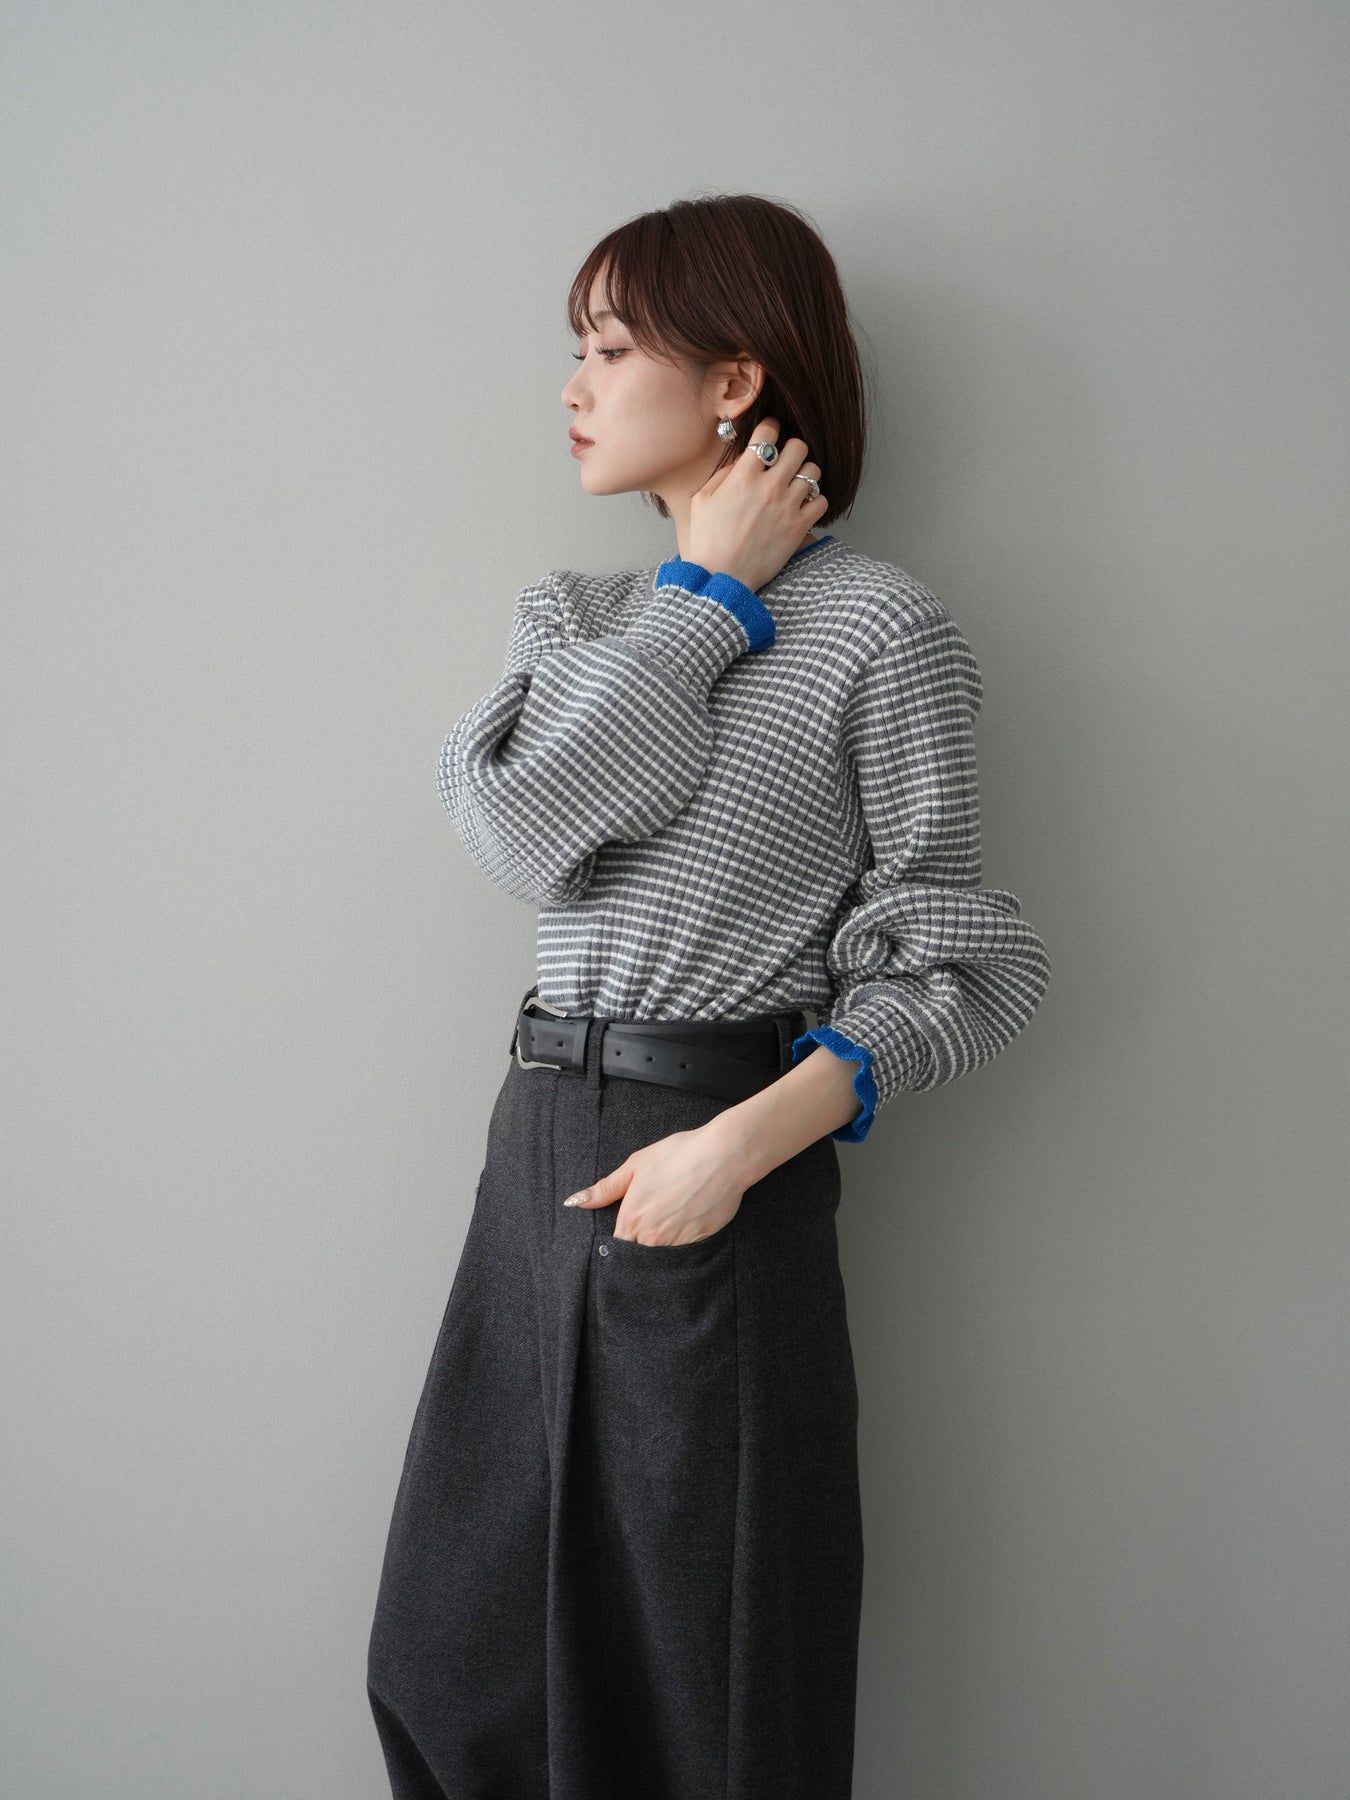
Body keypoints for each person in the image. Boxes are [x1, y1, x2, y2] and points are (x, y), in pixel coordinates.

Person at [366, 192, 1051, 1800]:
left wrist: (735, 1148)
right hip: (534, 1148)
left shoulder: (881, 628)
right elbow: (523, 834)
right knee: (453, 1659)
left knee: (701, 1670)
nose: (572, 386)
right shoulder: (581, 618)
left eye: (609, 348)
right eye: (577, 350)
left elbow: (964, 956)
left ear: (733, 379)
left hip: (717, 1155)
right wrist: (706, 602)